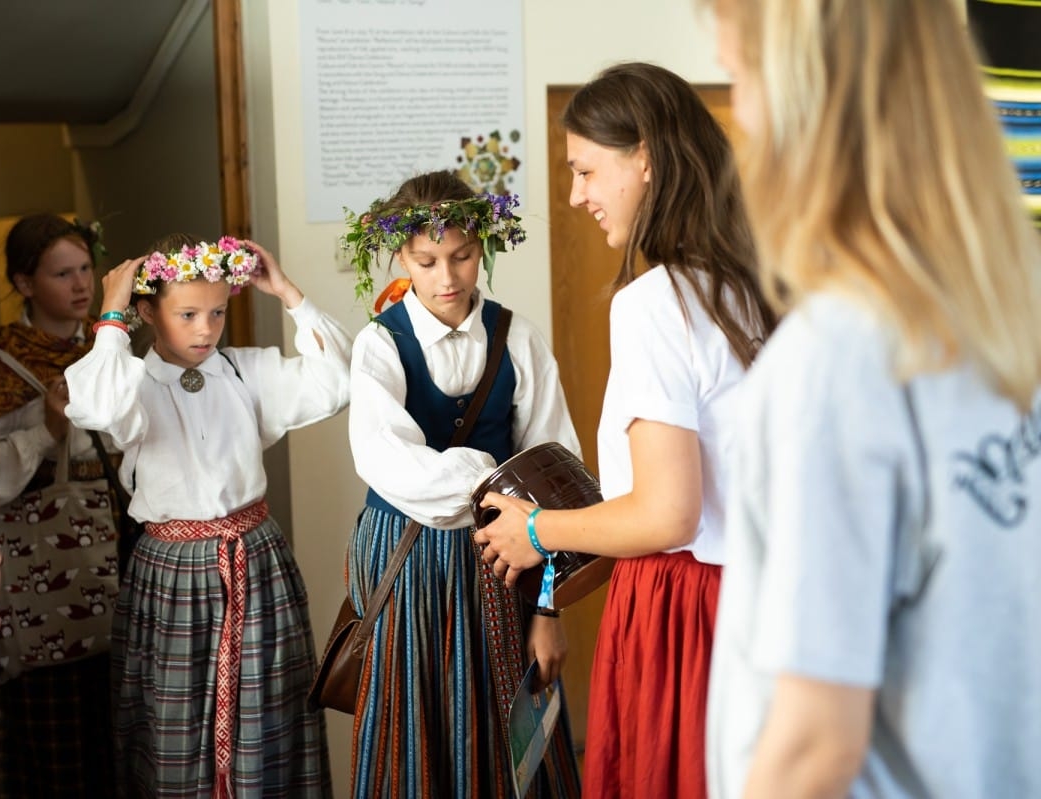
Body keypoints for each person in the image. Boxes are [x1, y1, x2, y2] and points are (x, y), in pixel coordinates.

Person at [704, 1, 1041, 797]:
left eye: (739, 76)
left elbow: (815, 744)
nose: (740, 115)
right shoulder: (1007, 301)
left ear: (808, 98)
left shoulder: (835, 362)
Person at [474, 63, 775, 799]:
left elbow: (667, 511)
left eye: (586, 170)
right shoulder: (761, 286)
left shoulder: (652, 302)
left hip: (685, 614)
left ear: (644, 156)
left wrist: (539, 530)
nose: (576, 196)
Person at [64, 233, 349, 799]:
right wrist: (111, 313)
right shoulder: (130, 385)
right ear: (148, 312)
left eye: (217, 312)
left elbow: (338, 381)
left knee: (268, 711)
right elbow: (94, 407)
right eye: (187, 314)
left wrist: (288, 292)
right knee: (173, 719)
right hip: (171, 573)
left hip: (256, 559)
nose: (205, 329)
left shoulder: (246, 372)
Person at [344, 170, 582, 798]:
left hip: (506, 558)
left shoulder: (519, 337)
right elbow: (385, 460)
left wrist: (548, 606)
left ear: (484, 249)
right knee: (413, 718)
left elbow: (556, 478)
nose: (447, 278)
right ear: (401, 257)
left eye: (462, 256)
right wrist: (487, 479)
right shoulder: (380, 345)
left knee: (511, 724)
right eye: (426, 261)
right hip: (405, 556)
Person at [0, 212, 116, 798]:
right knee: (56, 763)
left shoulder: (108, 353)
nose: (80, 286)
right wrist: (44, 430)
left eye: (86, 270)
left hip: (115, 594)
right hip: (42, 607)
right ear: (25, 284)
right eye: (61, 273)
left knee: (117, 749)